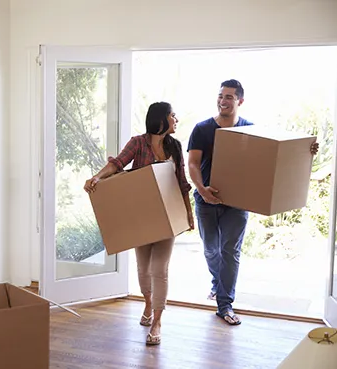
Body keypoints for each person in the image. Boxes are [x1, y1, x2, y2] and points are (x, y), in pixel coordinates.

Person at [187, 79, 319, 325]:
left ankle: (225, 304)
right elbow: (193, 163)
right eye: (220, 96)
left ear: (240, 101)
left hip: (237, 203)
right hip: (206, 201)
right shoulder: (202, 129)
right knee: (210, 249)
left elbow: (273, 156)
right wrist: (202, 189)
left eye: (229, 97)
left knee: (230, 251)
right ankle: (218, 283)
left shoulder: (250, 129)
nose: (223, 101)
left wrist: (307, 150)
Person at [84, 102, 194, 345]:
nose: (176, 119)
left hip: (167, 216)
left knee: (159, 269)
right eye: (172, 115)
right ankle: (147, 304)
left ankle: (157, 321)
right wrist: (96, 177)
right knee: (143, 269)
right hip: (141, 217)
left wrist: (188, 213)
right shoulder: (138, 143)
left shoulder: (174, 146)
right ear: (161, 119)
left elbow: (182, 182)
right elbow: (118, 164)